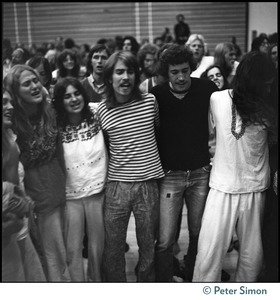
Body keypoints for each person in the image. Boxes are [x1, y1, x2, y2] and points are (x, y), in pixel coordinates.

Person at [192, 51, 277, 282]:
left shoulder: (269, 111)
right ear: (252, 81)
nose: (268, 90)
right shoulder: (217, 99)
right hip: (221, 187)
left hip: (255, 189)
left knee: (252, 258)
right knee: (208, 254)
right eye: (265, 85)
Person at [150, 44, 218, 282]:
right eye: (174, 72)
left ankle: (193, 278)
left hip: (200, 172)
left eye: (185, 70)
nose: (181, 77)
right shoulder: (157, 95)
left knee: (199, 233)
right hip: (170, 175)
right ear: (166, 73)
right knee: (166, 238)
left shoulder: (207, 89)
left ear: (192, 68)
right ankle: (164, 281)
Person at [97, 50, 164, 282]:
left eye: (130, 71)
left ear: (137, 76)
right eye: (119, 72)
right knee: (113, 247)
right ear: (109, 78)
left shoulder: (150, 102)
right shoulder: (102, 110)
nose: (125, 77)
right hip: (116, 186)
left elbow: (157, 133)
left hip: (148, 184)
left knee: (148, 246)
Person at [5, 64, 71, 282]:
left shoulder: (49, 111)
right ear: (15, 92)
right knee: (48, 257)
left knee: (62, 253)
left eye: (35, 80)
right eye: (27, 84)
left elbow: (59, 152)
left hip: (60, 191)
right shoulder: (11, 122)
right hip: (35, 199)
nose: (35, 86)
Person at [52, 77, 108, 282]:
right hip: (70, 196)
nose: (74, 99)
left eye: (76, 93)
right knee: (72, 248)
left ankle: (96, 284)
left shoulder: (97, 113)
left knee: (97, 247)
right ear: (60, 101)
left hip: (97, 192)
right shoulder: (55, 124)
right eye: (67, 96)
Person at [2, 84, 47, 282]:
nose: (10, 106)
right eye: (4, 102)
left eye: (10, 101)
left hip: (12, 234)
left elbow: (15, 199)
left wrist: (23, 204)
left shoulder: (10, 147)